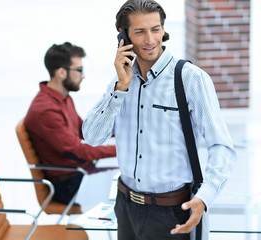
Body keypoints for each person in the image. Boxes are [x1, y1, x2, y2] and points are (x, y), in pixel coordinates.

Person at [82, 0, 236, 239]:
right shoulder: (121, 81)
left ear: (164, 30)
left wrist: (204, 198)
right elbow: (91, 137)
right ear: (123, 36)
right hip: (125, 207)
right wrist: (119, 90)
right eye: (140, 32)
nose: (150, 40)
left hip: (172, 212)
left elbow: (222, 146)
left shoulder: (191, 79)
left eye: (155, 29)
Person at [24, 42, 116, 205]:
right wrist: (121, 149)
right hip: (68, 184)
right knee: (126, 184)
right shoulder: (46, 110)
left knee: (128, 173)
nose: (83, 75)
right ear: (61, 72)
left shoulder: (63, 97)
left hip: (79, 172)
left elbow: (84, 130)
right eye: (79, 70)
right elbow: (78, 150)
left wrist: (120, 132)